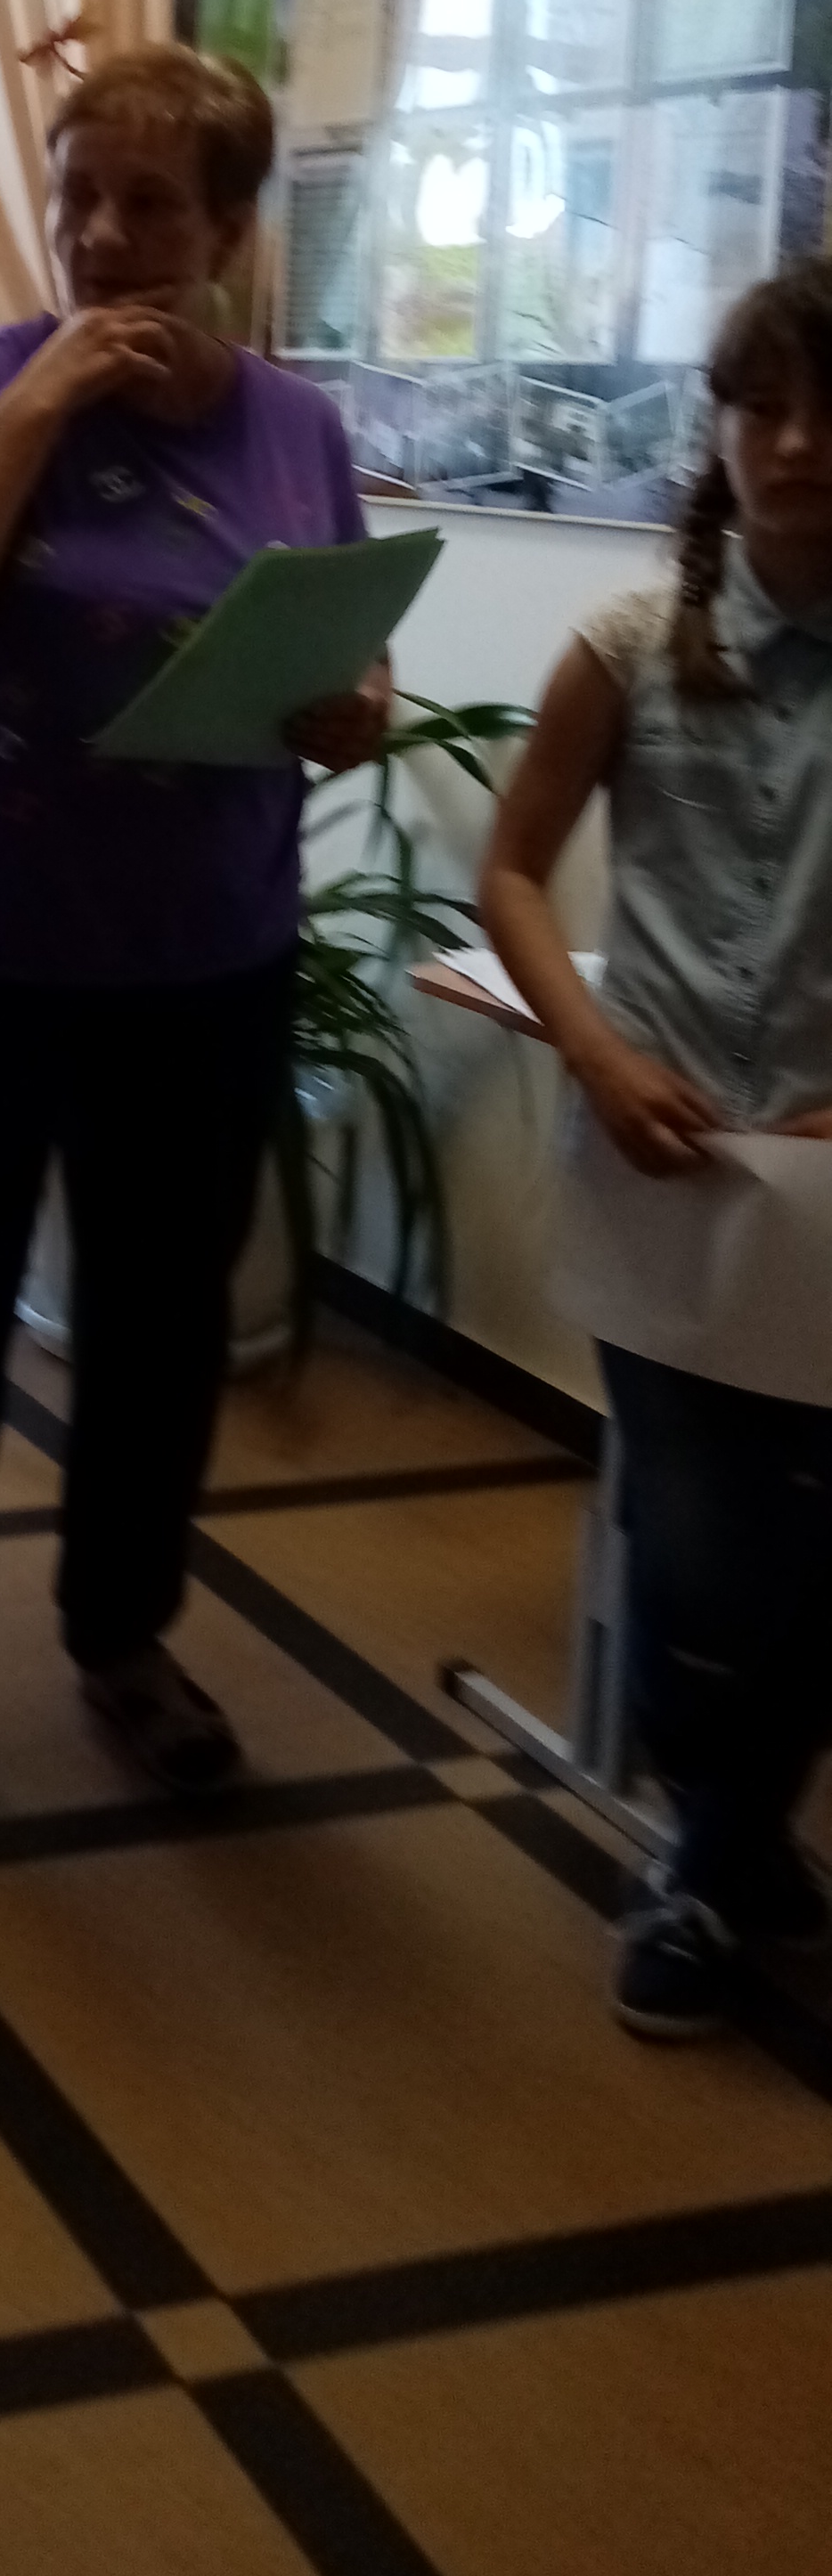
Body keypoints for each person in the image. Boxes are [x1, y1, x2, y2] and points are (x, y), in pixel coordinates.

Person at [0, 46, 386, 1842]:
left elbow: (347, 646)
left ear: (229, 228)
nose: (103, 234)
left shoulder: (296, 428)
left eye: (150, 203)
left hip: (197, 963)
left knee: (157, 1334)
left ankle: (124, 1639)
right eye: (78, 195)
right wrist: (38, 408)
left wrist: (352, 705)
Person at [479, 258, 832, 2041]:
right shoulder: (627, 647)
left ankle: (728, 1846)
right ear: (721, 427)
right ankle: (716, 1848)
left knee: (819, 1559)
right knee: (696, 1551)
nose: (799, 443)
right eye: (764, 407)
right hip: (661, 1169)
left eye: (831, 412)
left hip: (830, 1196)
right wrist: (600, 1053)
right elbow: (512, 869)